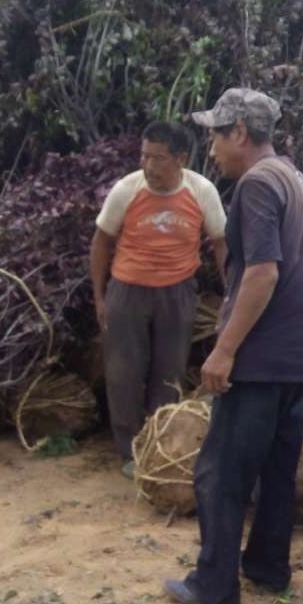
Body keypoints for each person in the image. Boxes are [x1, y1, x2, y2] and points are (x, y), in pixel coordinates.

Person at [163, 88, 303, 604]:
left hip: (267, 353)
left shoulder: (257, 185)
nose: (212, 149)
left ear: (239, 133)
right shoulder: (292, 177)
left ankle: (213, 585)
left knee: (220, 470)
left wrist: (224, 351)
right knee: (276, 466)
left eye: (216, 136)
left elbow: (264, 274)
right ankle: (268, 569)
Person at [90, 120, 226, 472]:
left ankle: (159, 445)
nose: (149, 166)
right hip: (127, 292)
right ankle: (129, 452)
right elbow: (101, 242)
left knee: (169, 371)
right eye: (144, 156)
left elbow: (220, 244)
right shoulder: (127, 190)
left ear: (181, 158)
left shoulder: (202, 191)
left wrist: (231, 293)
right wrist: (100, 297)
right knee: (123, 373)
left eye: (159, 158)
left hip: (177, 293)